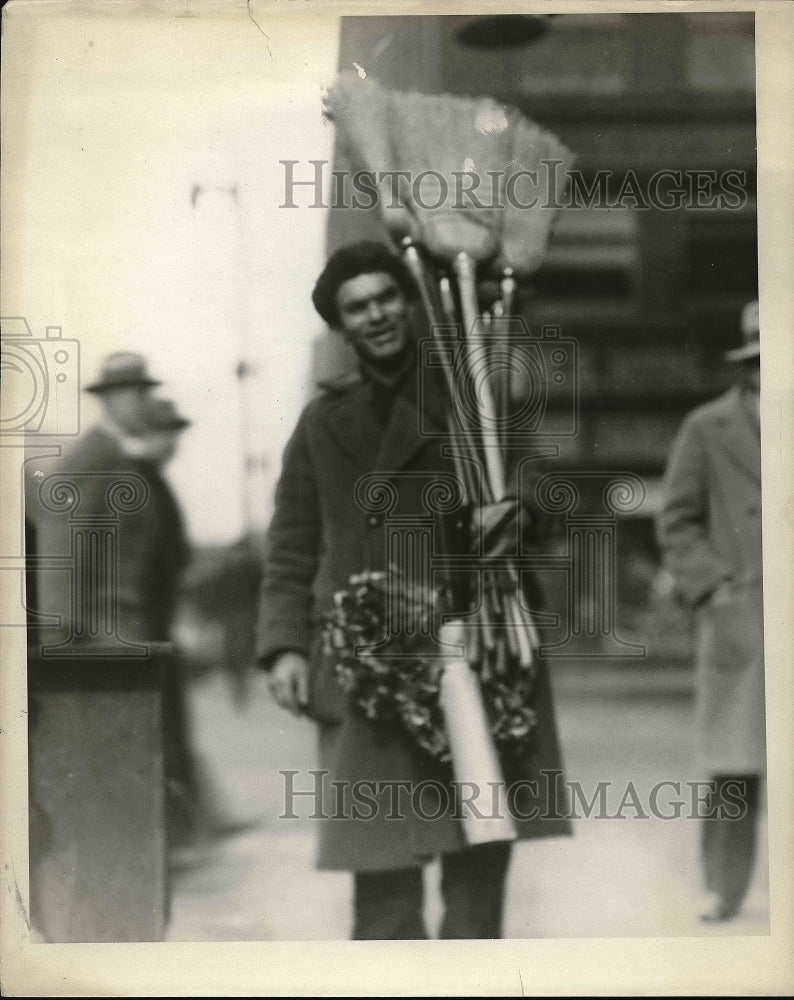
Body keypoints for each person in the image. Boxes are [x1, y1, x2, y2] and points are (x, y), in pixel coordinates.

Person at [256, 241, 569, 940]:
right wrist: (283, 648)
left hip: (472, 651)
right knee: (384, 892)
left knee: (477, 873)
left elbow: (542, 492)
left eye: (387, 297)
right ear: (342, 326)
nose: (376, 316)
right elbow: (292, 544)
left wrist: (514, 515)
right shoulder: (320, 423)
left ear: (410, 302)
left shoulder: (473, 399)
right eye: (357, 307)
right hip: (368, 668)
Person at [657, 299, 764, 923]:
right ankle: (723, 888)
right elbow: (677, 519)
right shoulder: (707, 427)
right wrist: (713, 590)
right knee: (734, 762)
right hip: (743, 614)